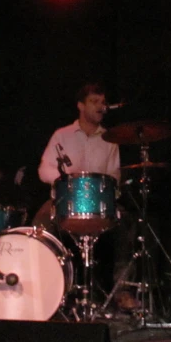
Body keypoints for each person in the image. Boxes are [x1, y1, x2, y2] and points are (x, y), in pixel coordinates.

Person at [35, 83, 139, 311]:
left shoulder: (111, 139)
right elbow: (44, 170)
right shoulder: (61, 135)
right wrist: (70, 181)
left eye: (103, 102)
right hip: (64, 200)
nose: (101, 107)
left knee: (127, 223)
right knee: (40, 225)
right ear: (80, 106)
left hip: (99, 202)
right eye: (95, 102)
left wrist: (98, 188)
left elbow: (114, 175)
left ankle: (122, 291)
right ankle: (42, 287)